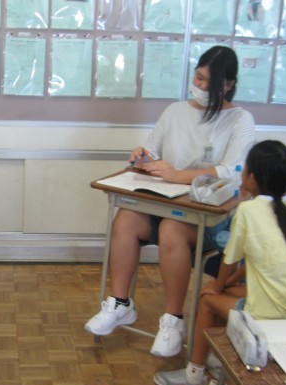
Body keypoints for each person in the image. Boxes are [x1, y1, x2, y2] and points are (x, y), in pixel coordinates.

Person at [85, 45, 256, 357]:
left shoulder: (239, 120)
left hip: (208, 216)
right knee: (126, 219)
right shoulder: (175, 111)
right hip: (164, 203)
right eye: (199, 77)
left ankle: (173, 320)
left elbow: (233, 171)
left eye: (210, 82)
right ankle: (120, 304)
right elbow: (152, 151)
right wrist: (143, 157)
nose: (201, 86)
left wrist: (180, 175)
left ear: (229, 84)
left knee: (172, 229)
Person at [154, 140, 286, 385]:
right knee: (226, 292)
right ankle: (219, 357)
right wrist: (228, 284)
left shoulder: (249, 210)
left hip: (276, 312)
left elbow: (229, 259)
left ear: (251, 176)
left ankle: (194, 375)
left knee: (207, 300)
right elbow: (257, 258)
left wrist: (218, 285)